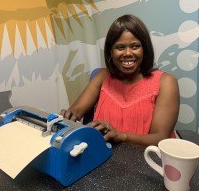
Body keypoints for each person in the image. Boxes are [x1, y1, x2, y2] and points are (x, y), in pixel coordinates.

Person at [60, 14, 180, 146]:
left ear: (145, 49)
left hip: (147, 159)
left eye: (135, 46)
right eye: (120, 47)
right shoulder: (102, 76)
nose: (128, 53)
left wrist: (121, 136)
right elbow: (76, 111)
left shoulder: (166, 82)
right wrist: (67, 117)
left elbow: (160, 138)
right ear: (110, 51)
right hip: (105, 155)